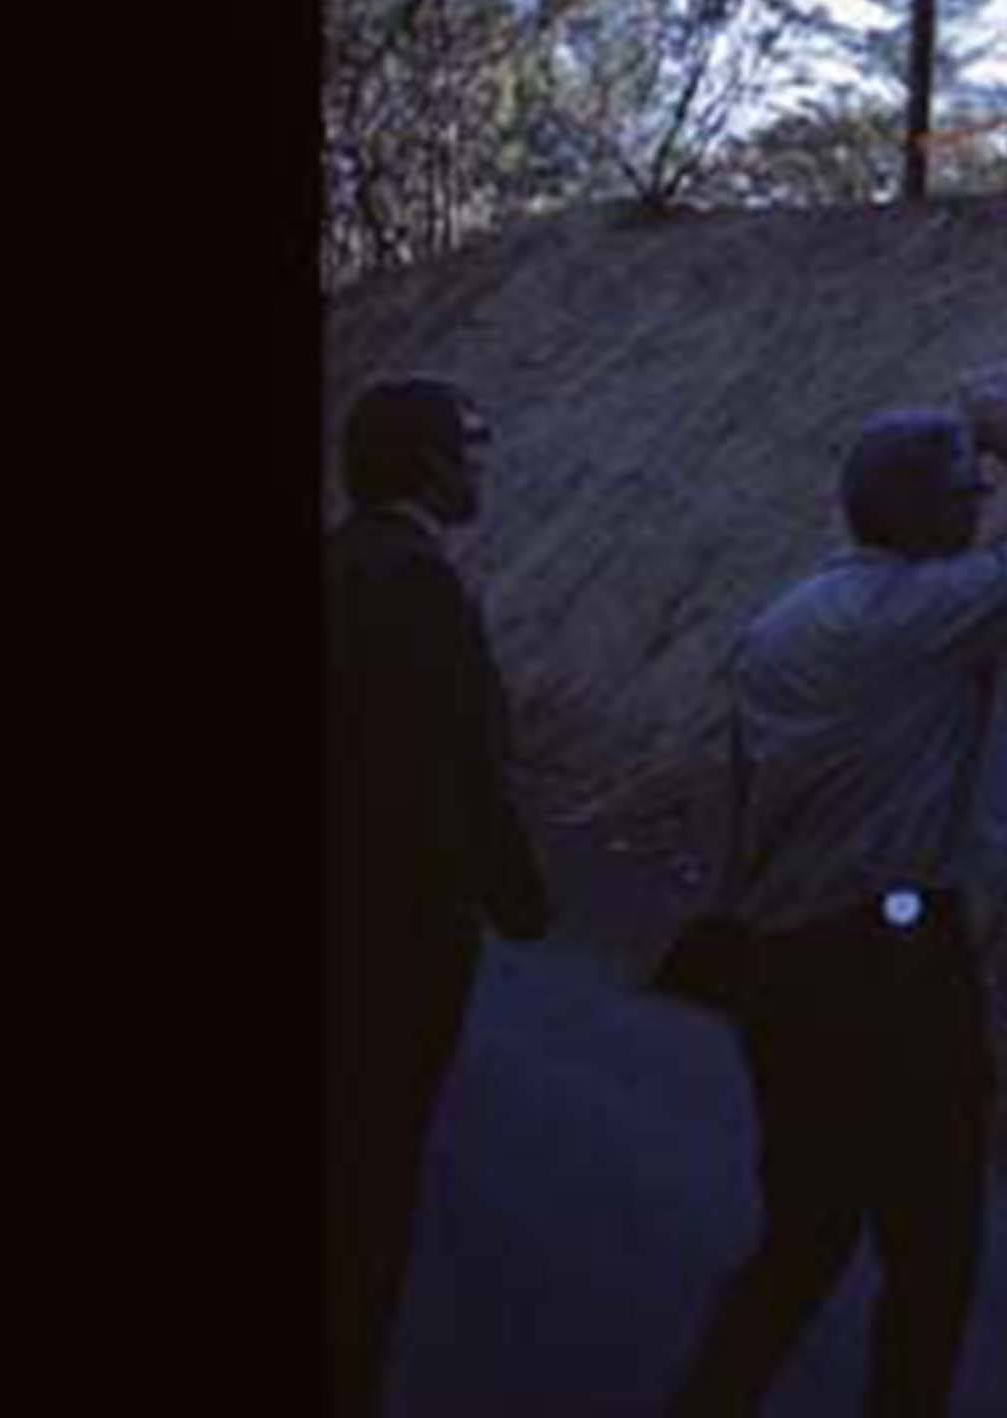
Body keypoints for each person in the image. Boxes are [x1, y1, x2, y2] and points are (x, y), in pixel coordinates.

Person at [664, 368, 1007, 1418]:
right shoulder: (926, 612)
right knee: (934, 1245)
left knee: (806, 1231)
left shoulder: (783, 617)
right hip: (896, 961)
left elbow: (725, 796)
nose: (984, 506)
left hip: (787, 957)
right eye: (969, 490)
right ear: (925, 507)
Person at [327, 375, 553, 1418]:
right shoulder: (416, 580)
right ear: (424, 461)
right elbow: (458, 763)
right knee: (377, 1175)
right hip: (397, 923)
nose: (483, 463)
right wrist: (518, 899)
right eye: (471, 443)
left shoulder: (341, 559)